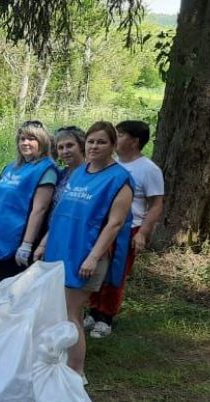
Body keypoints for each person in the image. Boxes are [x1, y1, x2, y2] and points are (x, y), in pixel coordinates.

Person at [35, 121, 134, 373]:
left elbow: (115, 224)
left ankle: (75, 372)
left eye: (101, 142)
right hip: (61, 249)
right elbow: (62, 213)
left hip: (86, 255)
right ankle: (59, 362)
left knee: (72, 312)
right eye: (91, 141)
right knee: (58, 310)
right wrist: (45, 242)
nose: (94, 146)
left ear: (113, 145)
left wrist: (93, 257)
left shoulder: (119, 179)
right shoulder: (79, 172)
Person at [87, 120, 165, 338]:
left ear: (135, 141)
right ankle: (92, 311)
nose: (116, 137)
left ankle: (106, 318)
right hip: (102, 226)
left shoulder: (148, 169)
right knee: (96, 270)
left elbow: (156, 203)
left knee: (116, 273)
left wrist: (143, 233)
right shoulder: (109, 164)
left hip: (128, 228)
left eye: (120, 135)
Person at [0, 121, 58, 299]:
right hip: (2, 237)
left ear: (42, 141)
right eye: (22, 138)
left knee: (8, 292)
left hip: (21, 239)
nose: (25, 143)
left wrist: (26, 245)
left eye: (31, 138)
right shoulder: (11, 167)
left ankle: (5, 325)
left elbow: (40, 209)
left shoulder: (47, 169)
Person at [53, 126, 87, 205]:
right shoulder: (60, 172)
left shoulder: (91, 173)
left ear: (82, 146)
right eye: (60, 148)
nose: (65, 151)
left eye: (69, 145)